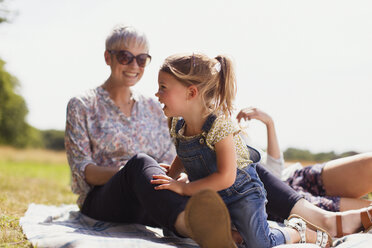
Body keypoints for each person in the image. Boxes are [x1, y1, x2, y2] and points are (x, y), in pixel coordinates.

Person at [65, 25, 371, 248]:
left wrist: (176, 178)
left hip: (160, 192)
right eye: (124, 56)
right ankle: (199, 228)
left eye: (141, 58)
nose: (133, 65)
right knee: (139, 164)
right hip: (109, 196)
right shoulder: (83, 104)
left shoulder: (154, 106)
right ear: (108, 57)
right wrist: (142, 173)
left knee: (239, 160)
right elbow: (84, 171)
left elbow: (179, 155)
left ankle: (320, 218)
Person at [151, 52, 339, 247]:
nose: (157, 94)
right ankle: (237, 234)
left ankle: (296, 231)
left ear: (191, 93)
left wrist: (184, 188)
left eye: (163, 88)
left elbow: (226, 177)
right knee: (182, 229)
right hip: (209, 195)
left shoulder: (220, 126)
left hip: (242, 194)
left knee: (259, 243)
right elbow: (185, 152)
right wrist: (172, 175)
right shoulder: (177, 124)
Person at [236, 107, 372, 212]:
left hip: (295, 176)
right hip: (282, 198)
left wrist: (269, 123)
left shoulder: (234, 128)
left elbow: (275, 168)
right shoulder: (221, 133)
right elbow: (273, 175)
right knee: (366, 212)